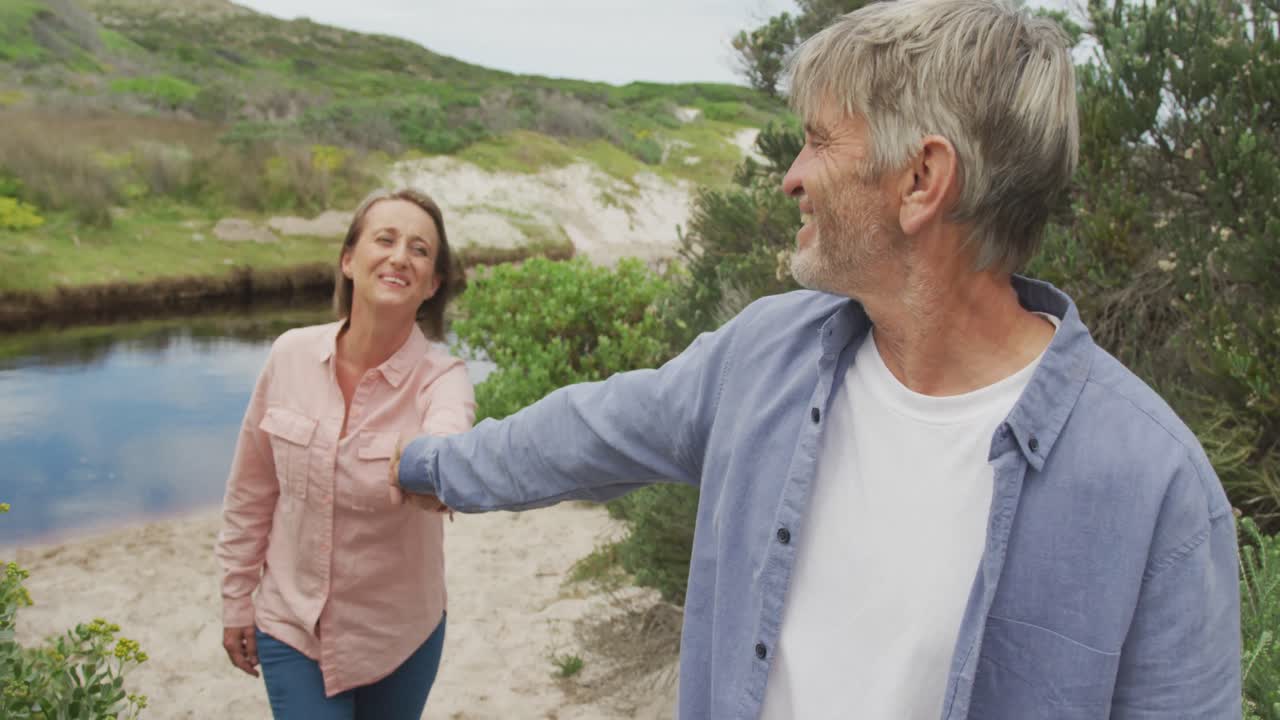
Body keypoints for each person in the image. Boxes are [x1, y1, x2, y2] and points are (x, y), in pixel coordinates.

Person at [393, 0, 1242, 717]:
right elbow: (590, 430)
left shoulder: (1151, 482)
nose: (790, 177)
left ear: (922, 180)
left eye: (818, 141)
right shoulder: (765, 355)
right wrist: (431, 465)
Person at [215, 188, 474, 719]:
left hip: (400, 636)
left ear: (433, 284)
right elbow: (251, 490)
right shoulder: (288, 355)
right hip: (291, 626)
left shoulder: (444, 381)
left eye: (420, 250)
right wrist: (236, 598)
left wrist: (437, 467)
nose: (400, 255)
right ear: (348, 259)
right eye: (386, 239)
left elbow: (447, 444)